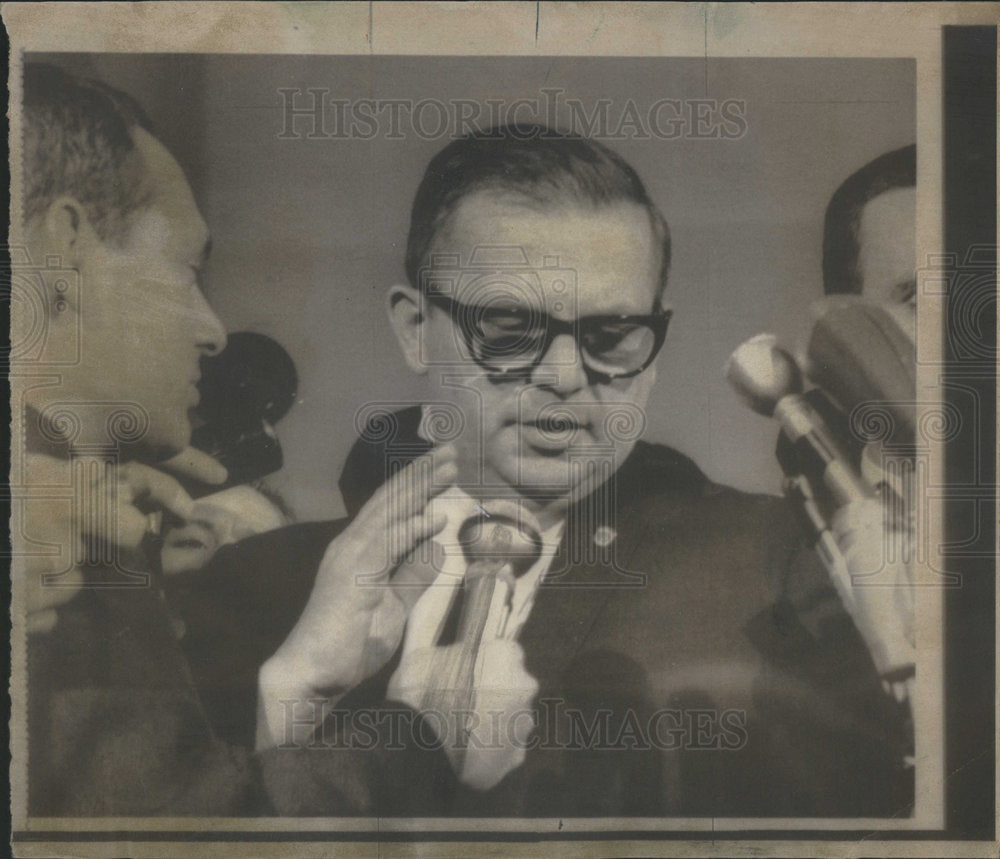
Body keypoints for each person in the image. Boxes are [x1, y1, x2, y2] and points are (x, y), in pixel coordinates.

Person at [188, 125, 914, 817]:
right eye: (509, 329)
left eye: (612, 334)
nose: (566, 375)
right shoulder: (243, 590)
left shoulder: (782, 559)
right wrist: (291, 704)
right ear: (415, 330)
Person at [17, 64, 448, 816]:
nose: (214, 331)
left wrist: (294, 686)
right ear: (66, 251)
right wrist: (427, 727)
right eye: (185, 272)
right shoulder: (49, 527)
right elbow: (185, 838)